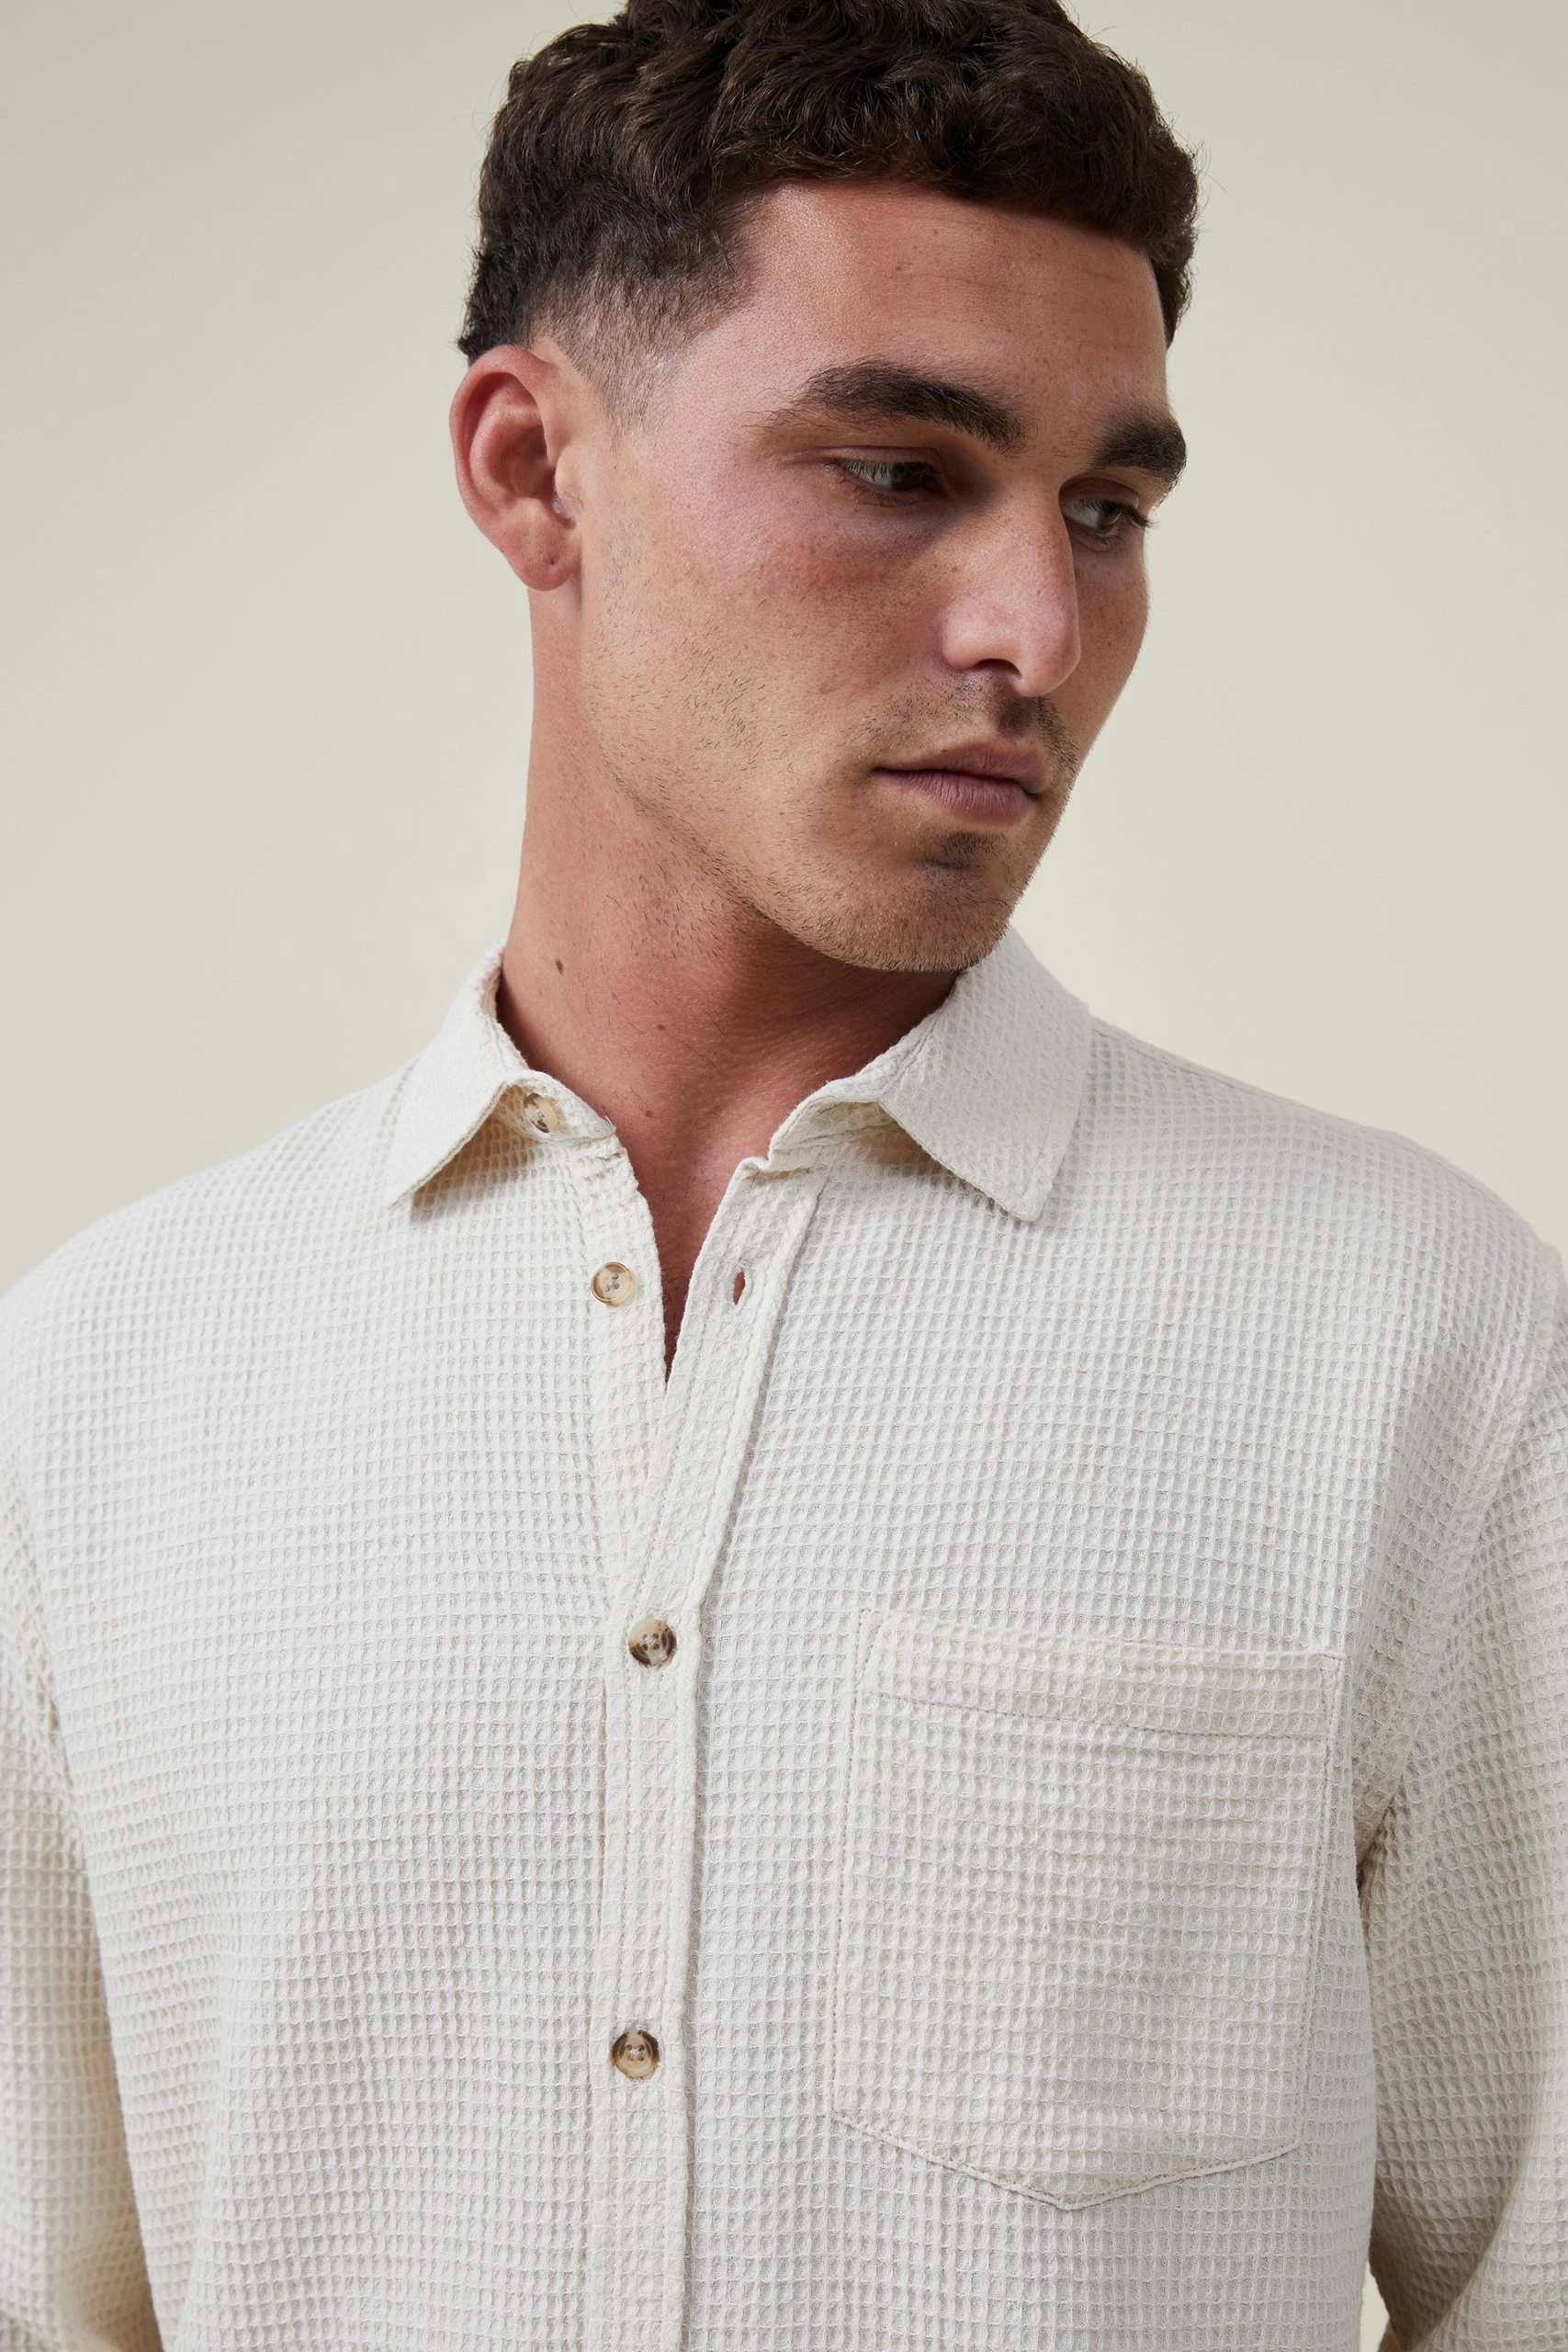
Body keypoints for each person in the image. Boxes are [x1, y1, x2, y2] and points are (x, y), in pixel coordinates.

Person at [1, 1, 1562, 2346]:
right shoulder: (98, 1390)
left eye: (1107, 510)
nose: (1036, 629)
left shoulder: (1414, 1345)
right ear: (534, 469)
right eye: (900, 469)